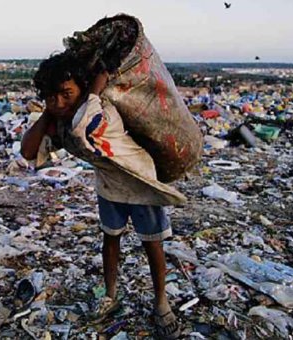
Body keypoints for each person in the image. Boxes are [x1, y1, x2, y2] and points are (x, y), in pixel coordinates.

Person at [21, 52, 185, 339]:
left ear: (82, 89)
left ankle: (161, 301)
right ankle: (110, 295)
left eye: (66, 94)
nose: (59, 102)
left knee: (152, 244)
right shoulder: (62, 116)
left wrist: (96, 87)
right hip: (109, 184)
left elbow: (85, 127)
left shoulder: (102, 110)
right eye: (50, 96)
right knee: (111, 238)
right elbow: (28, 151)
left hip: (138, 179)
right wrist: (49, 111)